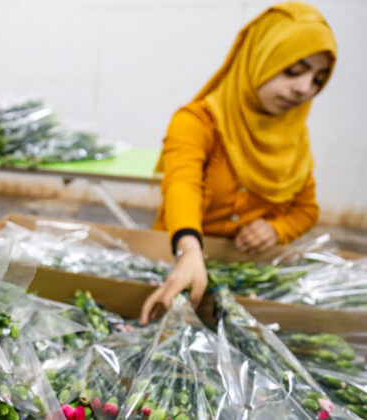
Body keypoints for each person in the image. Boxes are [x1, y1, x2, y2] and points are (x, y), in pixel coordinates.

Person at [141, 2, 337, 324]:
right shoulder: (198, 122)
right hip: (179, 263)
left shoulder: (293, 137)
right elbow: (182, 184)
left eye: (318, 79)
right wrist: (189, 251)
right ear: (259, 55)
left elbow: (306, 209)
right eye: (293, 70)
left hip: (245, 274)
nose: (304, 88)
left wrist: (276, 229)